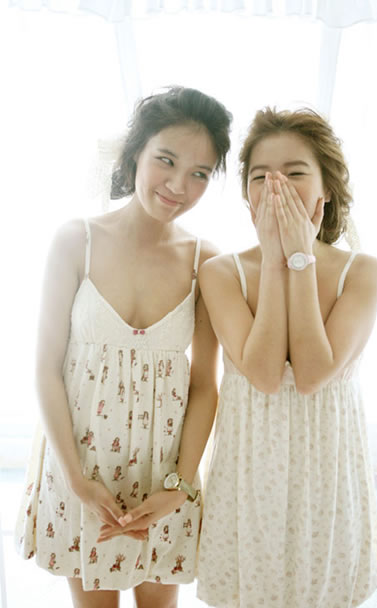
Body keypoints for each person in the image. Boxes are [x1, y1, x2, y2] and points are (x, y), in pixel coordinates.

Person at [15, 86, 232, 608]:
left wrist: (179, 486)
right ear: (136, 152)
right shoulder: (76, 241)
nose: (179, 186)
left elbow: (205, 384)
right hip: (81, 468)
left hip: (164, 475)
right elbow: (45, 369)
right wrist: (76, 480)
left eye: (200, 173)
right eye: (166, 160)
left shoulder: (205, 261)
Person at [196, 107, 377, 608]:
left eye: (295, 173)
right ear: (247, 197)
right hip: (250, 468)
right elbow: (262, 374)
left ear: (325, 191)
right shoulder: (221, 272)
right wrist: (275, 262)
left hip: (326, 467)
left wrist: (300, 259)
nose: (276, 186)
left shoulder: (363, 272)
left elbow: (312, 374)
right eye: (260, 176)